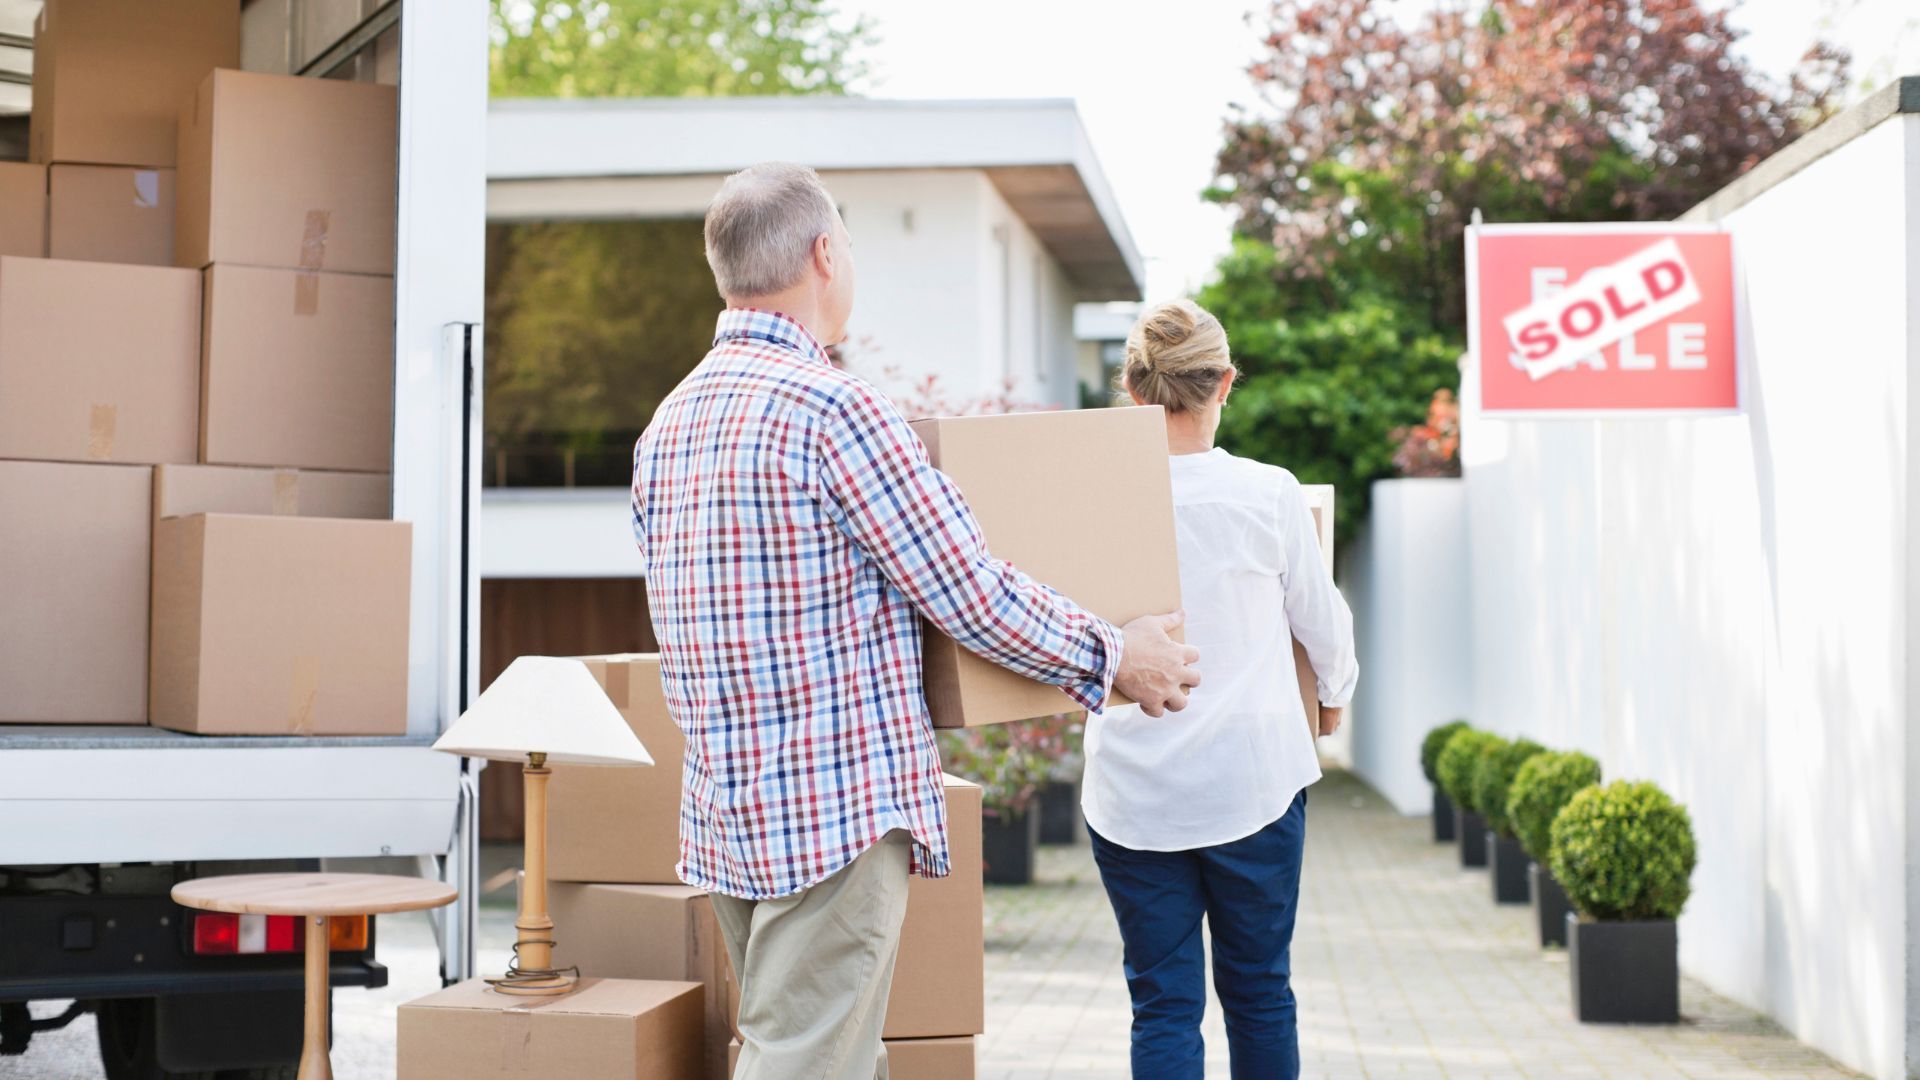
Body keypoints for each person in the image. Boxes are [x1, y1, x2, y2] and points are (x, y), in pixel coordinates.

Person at [629, 162, 1202, 1080]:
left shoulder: (670, 422)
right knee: (806, 1062)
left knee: (818, 1051)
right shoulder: (834, 408)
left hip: (729, 810)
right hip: (833, 810)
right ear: (824, 253)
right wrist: (1114, 655)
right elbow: (965, 588)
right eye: (848, 245)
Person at [1082, 298, 1358, 1080]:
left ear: (1132, 389)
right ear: (1225, 384)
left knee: (1163, 1004)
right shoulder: (1269, 494)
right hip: (1255, 787)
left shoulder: (1096, 500)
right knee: (1261, 992)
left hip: (1134, 793)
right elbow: (1323, 625)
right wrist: (1333, 696)